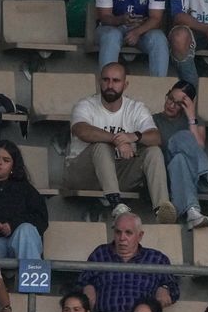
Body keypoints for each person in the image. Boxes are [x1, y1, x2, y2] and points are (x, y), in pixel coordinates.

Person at [64, 62, 174, 223]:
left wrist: (133, 136)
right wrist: (117, 140)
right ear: (99, 82)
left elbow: (155, 137)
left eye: (116, 81)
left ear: (125, 84)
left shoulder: (136, 108)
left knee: (153, 151)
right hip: (83, 174)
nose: (110, 85)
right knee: (101, 146)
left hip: (117, 173)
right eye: (106, 80)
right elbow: (81, 130)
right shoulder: (85, 105)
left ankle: (162, 208)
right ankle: (116, 204)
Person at [78, 212, 179, 312]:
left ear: (140, 235)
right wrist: (87, 287)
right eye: (118, 232)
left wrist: (165, 289)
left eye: (128, 233)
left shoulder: (156, 258)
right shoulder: (100, 254)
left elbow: (175, 290)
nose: (122, 238)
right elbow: (79, 283)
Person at [152, 80, 208, 230]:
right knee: (180, 140)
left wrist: (191, 118)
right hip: (165, 176)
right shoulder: (153, 119)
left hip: (192, 177)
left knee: (181, 155)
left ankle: (193, 212)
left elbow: (198, 147)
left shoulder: (196, 121)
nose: (171, 105)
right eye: (170, 99)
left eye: (178, 103)